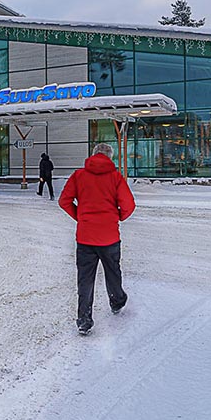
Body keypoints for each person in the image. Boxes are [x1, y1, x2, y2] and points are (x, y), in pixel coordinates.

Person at [58, 143, 136, 335]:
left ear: (92, 155)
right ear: (110, 157)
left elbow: (64, 201)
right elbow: (129, 205)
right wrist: (116, 217)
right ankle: (117, 301)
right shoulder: (115, 177)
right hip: (109, 236)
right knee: (112, 271)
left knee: (85, 279)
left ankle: (84, 319)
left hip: (85, 237)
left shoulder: (79, 176)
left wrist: (80, 216)